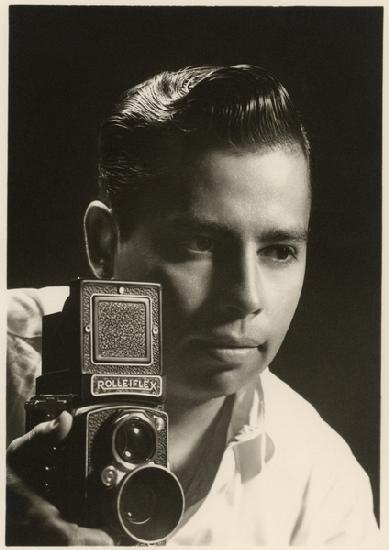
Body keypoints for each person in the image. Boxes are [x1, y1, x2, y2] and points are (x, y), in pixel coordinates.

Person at [6, 64, 380, 545]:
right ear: (105, 244)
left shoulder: (321, 486)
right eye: (200, 243)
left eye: (279, 251)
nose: (246, 296)